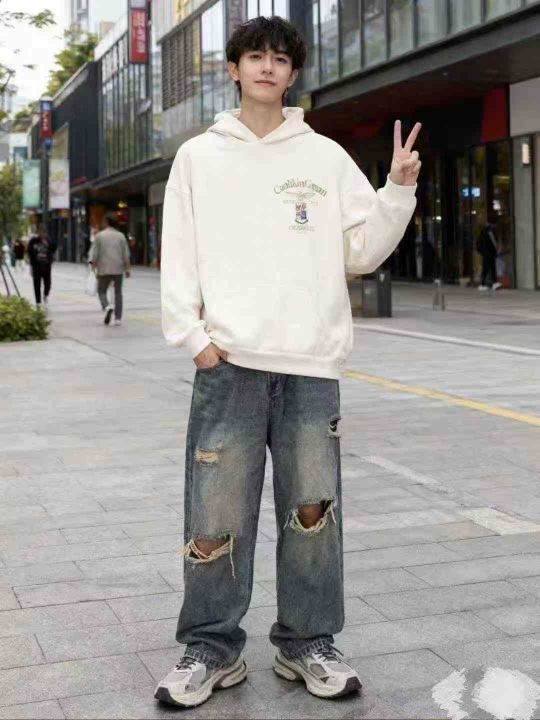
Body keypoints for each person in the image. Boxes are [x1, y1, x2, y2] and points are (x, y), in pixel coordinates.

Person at [155, 15, 421, 710]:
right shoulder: (199, 157)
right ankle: (211, 648)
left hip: (310, 366)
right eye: (255, 56)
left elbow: (360, 252)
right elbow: (179, 251)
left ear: (293, 73)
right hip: (228, 365)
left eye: (280, 58)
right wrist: (193, 337)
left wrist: (396, 189)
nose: (267, 67)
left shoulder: (324, 157)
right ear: (234, 69)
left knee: (313, 516)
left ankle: (307, 643)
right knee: (215, 516)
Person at [89, 212, 131, 325]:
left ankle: (107, 306)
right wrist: (127, 269)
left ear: (106, 222)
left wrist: (92, 266)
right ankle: (118, 319)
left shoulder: (99, 236)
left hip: (104, 269)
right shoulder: (121, 236)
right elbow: (126, 254)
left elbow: (94, 254)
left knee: (101, 290)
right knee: (118, 293)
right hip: (118, 268)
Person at [27, 226, 57, 309]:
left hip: (46, 265)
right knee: (36, 283)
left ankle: (45, 294)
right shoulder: (33, 241)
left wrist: (48, 242)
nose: (41, 234)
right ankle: (38, 301)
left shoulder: (49, 240)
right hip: (36, 266)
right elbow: (29, 251)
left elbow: (54, 248)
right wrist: (31, 265)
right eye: (40, 232)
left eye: (43, 233)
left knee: (48, 282)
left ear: (45, 233)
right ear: (38, 233)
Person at [477, 218, 503, 291]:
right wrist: (496, 250)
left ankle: (493, 283)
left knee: (491, 268)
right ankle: (483, 284)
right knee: (487, 268)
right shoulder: (488, 231)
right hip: (488, 253)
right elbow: (493, 242)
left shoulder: (487, 230)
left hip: (488, 253)